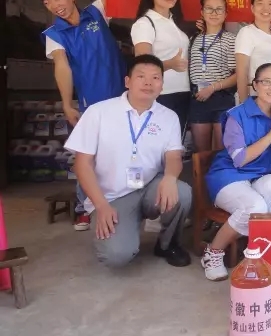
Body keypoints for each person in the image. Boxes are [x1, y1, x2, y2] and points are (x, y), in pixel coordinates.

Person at [64, 54, 192, 268]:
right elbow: (82, 164)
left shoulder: (168, 116)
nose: (148, 83)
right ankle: (123, 230)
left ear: (162, 85)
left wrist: (170, 178)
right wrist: (101, 205)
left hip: (150, 187)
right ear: (127, 81)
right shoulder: (99, 112)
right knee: (117, 256)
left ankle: (167, 244)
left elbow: (173, 156)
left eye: (155, 78)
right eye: (141, 76)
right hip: (112, 197)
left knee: (182, 192)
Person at [38, 0, 126, 231]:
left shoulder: (97, 13)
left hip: (122, 98)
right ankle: (83, 208)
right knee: (87, 156)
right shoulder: (54, 34)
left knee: (124, 151)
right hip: (91, 104)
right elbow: (62, 67)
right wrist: (67, 104)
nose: (55, 5)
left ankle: (124, 202)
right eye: (47, 2)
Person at [202, 63, 271, 281]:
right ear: (255, 85)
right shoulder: (237, 115)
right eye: (267, 82)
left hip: (259, 177)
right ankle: (213, 252)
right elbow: (240, 159)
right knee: (255, 207)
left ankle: (262, 251)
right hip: (229, 176)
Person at [131, 0, 191, 138]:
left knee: (176, 143)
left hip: (183, 91)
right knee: (157, 143)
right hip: (160, 94)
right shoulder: (145, 23)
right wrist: (170, 64)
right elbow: (142, 65)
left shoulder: (174, 21)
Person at [188, 0, 237, 152]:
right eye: (209, 8)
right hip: (198, 99)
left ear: (225, 14)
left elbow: (238, 75)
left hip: (221, 99)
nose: (214, 13)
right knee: (201, 153)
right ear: (202, 12)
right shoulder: (193, 39)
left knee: (221, 153)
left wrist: (212, 88)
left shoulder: (231, 39)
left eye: (219, 9)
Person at [235, 0, 271, 103]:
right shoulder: (246, 33)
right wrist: (245, 105)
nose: (266, 8)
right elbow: (241, 73)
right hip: (254, 97)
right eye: (260, 3)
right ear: (252, 8)